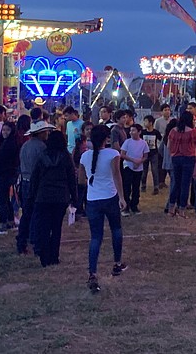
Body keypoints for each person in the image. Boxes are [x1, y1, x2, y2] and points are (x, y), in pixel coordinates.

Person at [80, 125, 127, 293]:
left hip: (93, 199)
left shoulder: (85, 156)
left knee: (95, 237)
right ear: (106, 138)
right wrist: (122, 197)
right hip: (110, 197)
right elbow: (117, 175)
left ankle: (92, 273)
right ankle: (116, 263)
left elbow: (81, 179)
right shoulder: (113, 154)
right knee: (116, 229)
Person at [28, 131, 79, 267]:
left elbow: (35, 178)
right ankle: (54, 256)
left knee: (43, 227)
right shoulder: (66, 157)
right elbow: (71, 179)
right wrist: (74, 197)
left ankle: (44, 256)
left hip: (43, 195)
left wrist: (32, 196)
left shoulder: (42, 156)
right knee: (56, 227)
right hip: (60, 196)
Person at [16, 120, 53, 255]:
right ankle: (35, 240)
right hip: (35, 182)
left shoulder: (26, 145)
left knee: (27, 213)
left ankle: (22, 241)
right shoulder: (41, 147)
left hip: (25, 181)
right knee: (37, 213)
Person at [166, 112, 196, 218]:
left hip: (176, 158)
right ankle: (182, 209)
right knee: (185, 185)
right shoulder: (192, 132)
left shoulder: (173, 131)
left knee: (176, 184)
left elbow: (169, 145)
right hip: (189, 158)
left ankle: (171, 208)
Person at [0, 119, 21, 235]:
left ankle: (3, 222)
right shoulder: (9, 142)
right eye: (3, 130)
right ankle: (9, 221)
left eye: (7, 130)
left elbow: (0, 158)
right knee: (6, 199)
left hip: (5, 173)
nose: (4, 132)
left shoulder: (9, 144)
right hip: (7, 173)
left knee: (2, 198)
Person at [120, 124, 148, 215]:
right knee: (127, 187)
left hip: (138, 168)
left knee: (136, 188)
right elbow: (122, 154)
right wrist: (133, 160)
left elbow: (145, 156)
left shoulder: (143, 143)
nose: (131, 132)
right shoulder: (127, 142)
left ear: (139, 132)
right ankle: (125, 207)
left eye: (134, 130)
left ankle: (134, 206)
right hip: (128, 166)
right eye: (131, 130)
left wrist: (139, 162)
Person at [140, 115, 162, 195]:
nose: (145, 123)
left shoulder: (155, 132)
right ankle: (143, 185)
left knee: (154, 170)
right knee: (144, 171)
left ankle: (156, 186)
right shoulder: (143, 132)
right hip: (145, 153)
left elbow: (160, 139)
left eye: (146, 121)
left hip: (154, 153)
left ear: (150, 123)